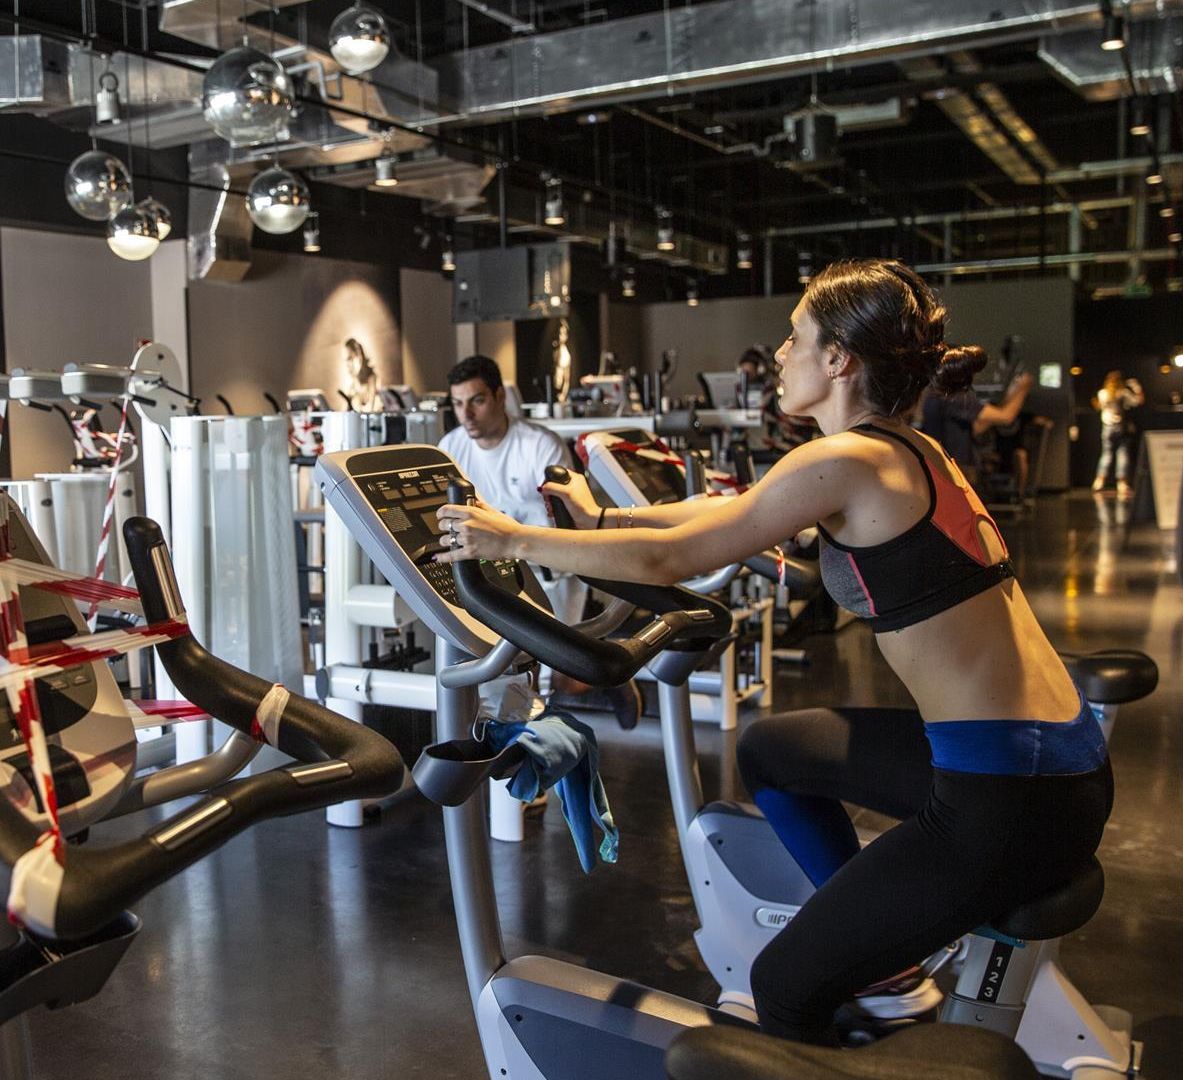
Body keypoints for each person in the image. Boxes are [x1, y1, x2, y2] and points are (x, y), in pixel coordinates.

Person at [436, 258, 1111, 1045]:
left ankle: (858, 982)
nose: (781, 353)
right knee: (771, 752)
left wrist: (510, 539)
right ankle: (887, 965)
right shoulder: (903, 449)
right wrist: (601, 522)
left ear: (839, 359)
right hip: (1053, 760)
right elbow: (726, 514)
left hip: (1014, 792)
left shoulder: (847, 460)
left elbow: (672, 557)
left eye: (796, 337)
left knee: (784, 987)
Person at [440, 355, 636, 727]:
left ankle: (609, 677)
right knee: (511, 677)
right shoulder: (450, 447)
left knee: (560, 676)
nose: (467, 414)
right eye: (458, 403)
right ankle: (530, 742)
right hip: (490, 574)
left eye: (477, 401)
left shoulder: (540, 445)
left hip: (550, 569)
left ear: (499, 397)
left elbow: (565, 526)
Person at [914, 364, 1034, 490]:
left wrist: (1010, 394)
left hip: (941, 465)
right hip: (957, 468)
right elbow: (1006, 417)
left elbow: (977, 427)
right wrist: (1023, 388)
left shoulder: (935, 396)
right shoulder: (957, 397)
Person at [1091, 371, 1144, 495]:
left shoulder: (1102, 393)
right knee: (1122, 454)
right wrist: (1137, 388)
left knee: (1106, 454)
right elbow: (1138, 401)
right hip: (1120, 427)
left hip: (1107, 427)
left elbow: (1098, 406)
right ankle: (1122, 483)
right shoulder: (1123, 393)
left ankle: (1099, 481)